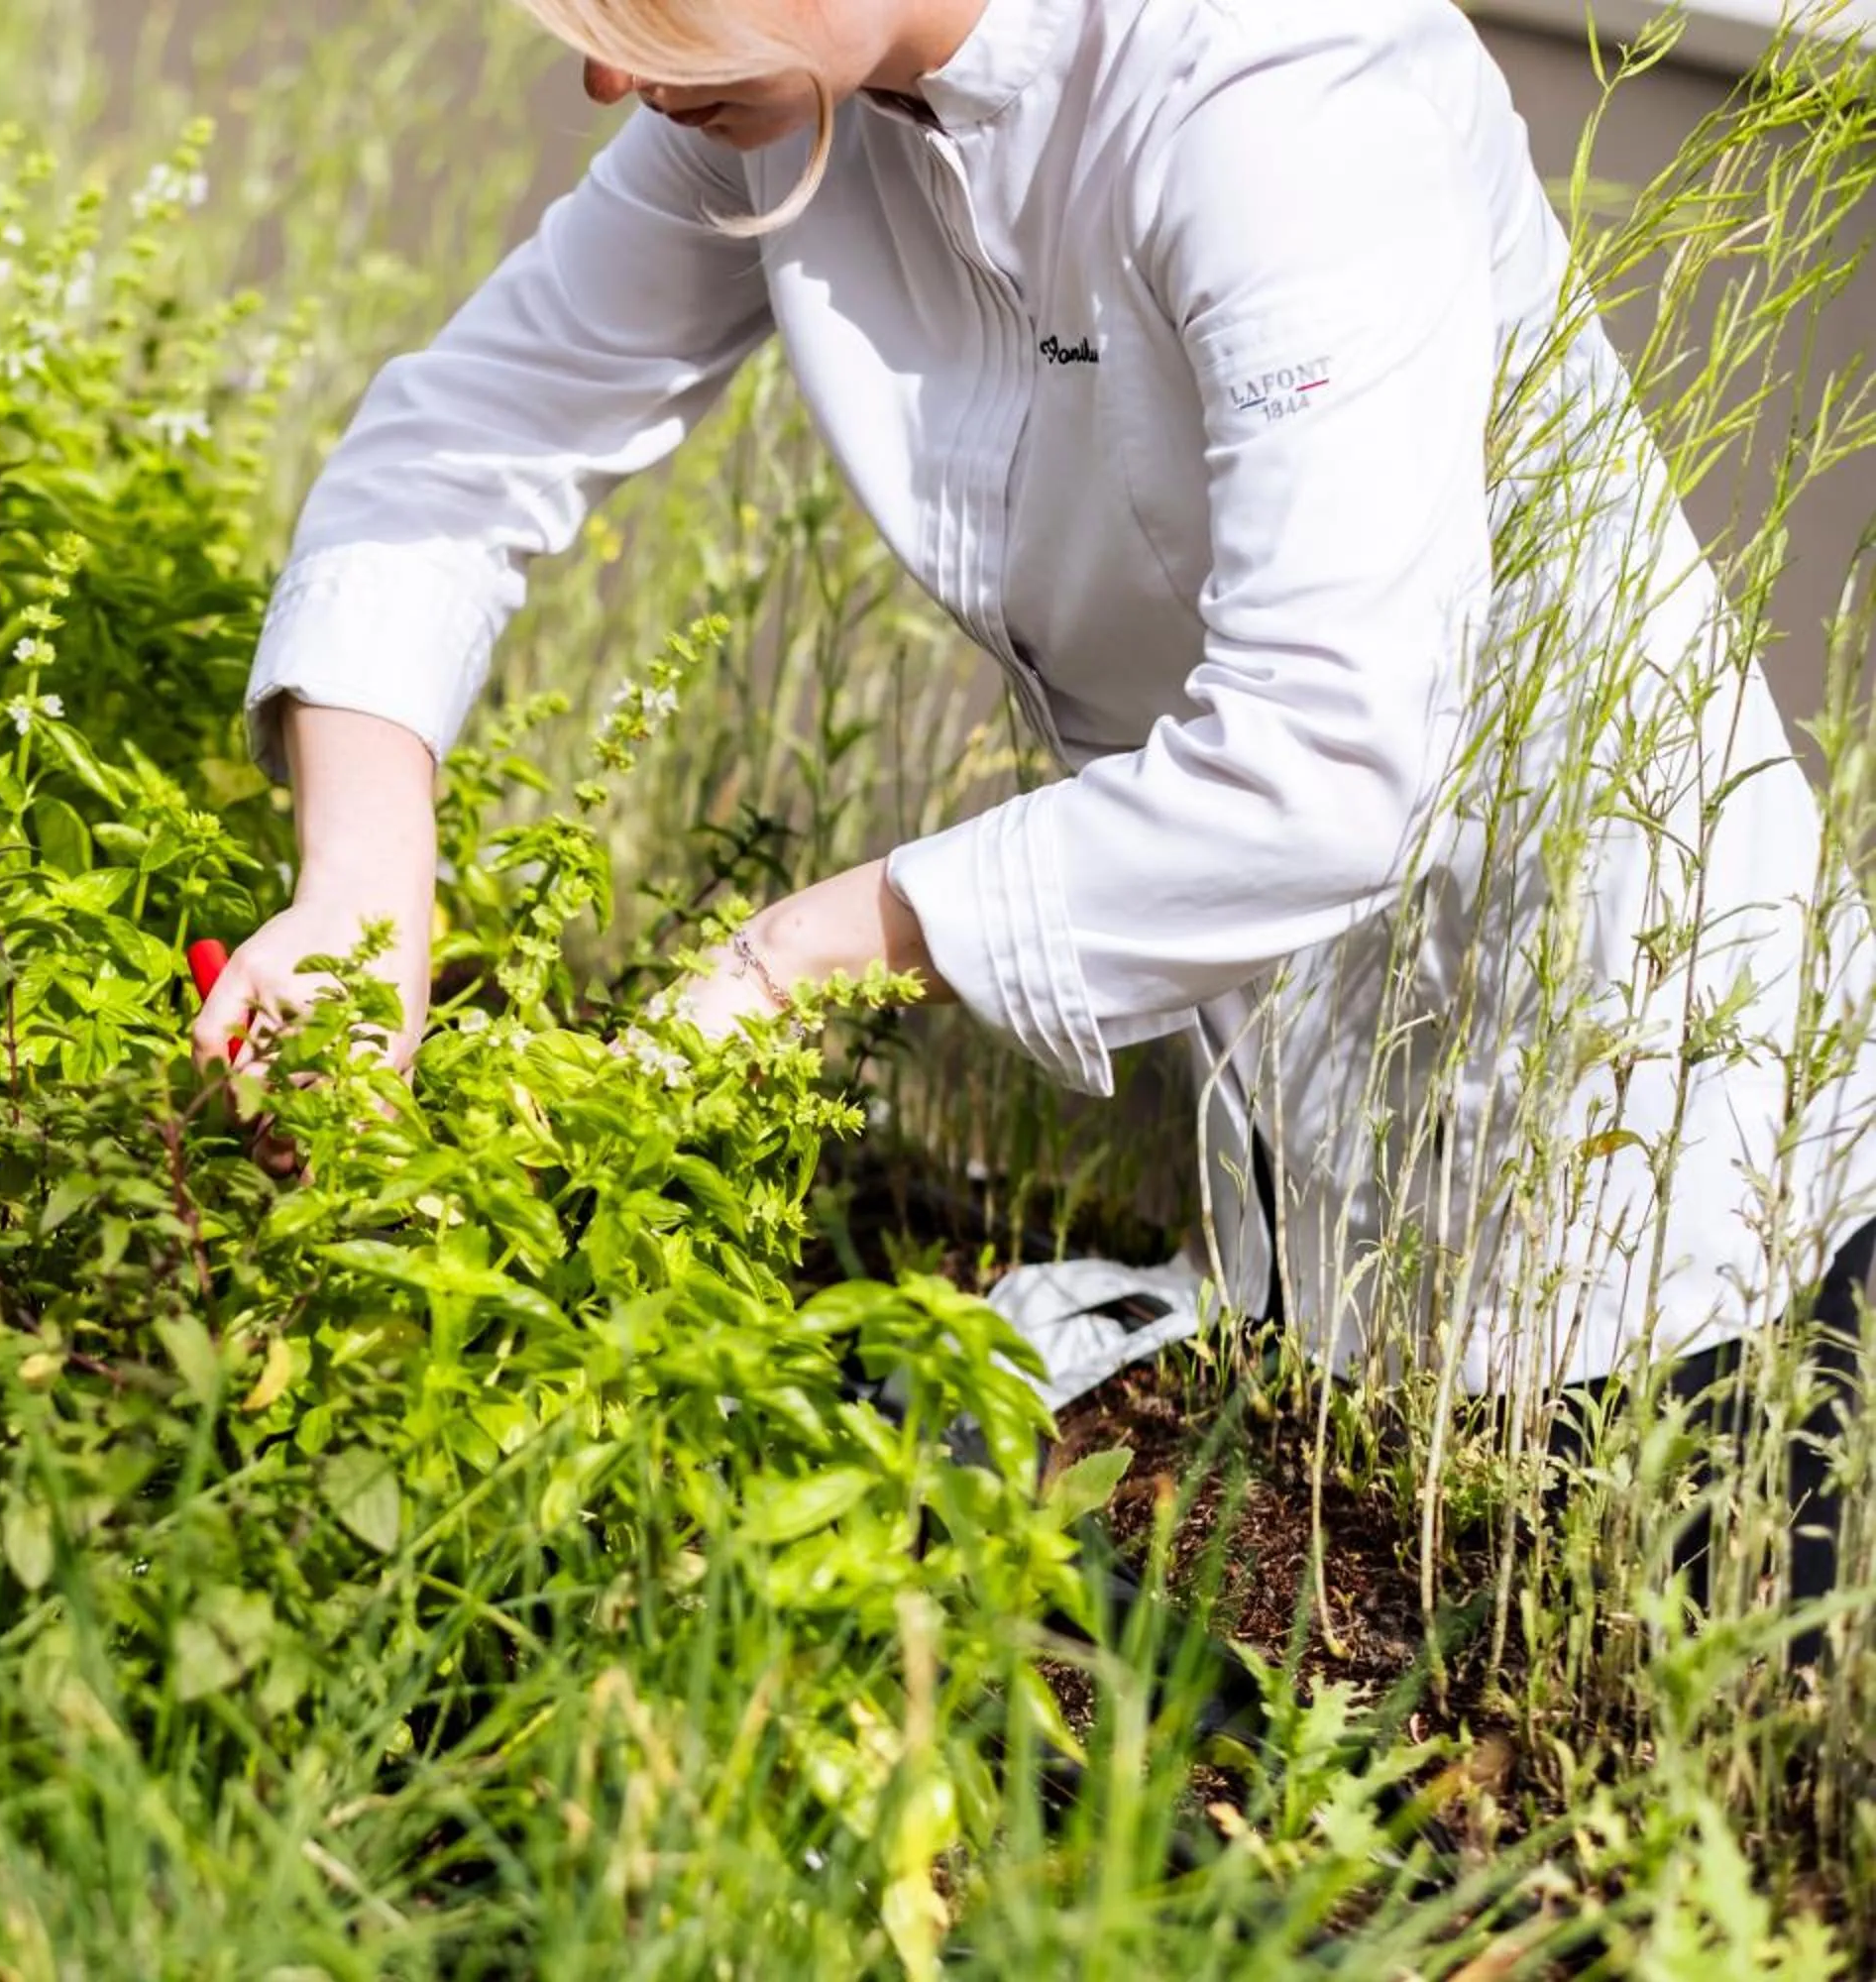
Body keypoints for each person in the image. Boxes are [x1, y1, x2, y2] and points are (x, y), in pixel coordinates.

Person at [185, 0, 1876, 1640]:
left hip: (1658, 1114)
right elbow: (462, 444)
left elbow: (1323, 768)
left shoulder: (1276, 86)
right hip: (1295, 1112)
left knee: (1613, 1742)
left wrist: (785, 964)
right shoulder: (789, 98)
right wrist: (356, 888)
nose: (615, 68)